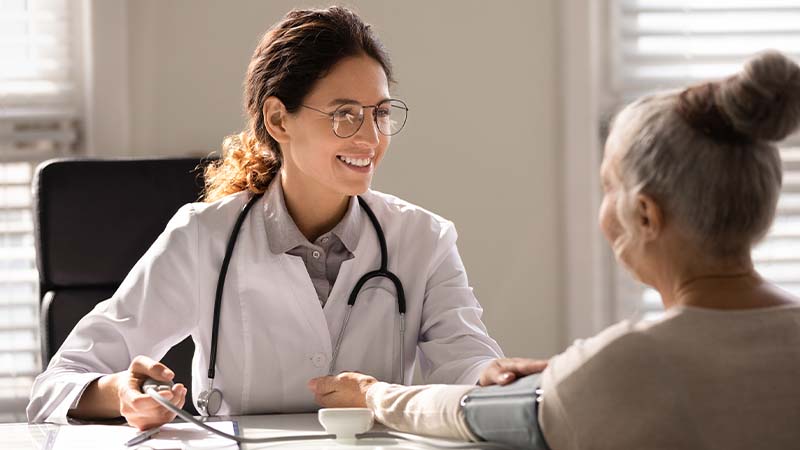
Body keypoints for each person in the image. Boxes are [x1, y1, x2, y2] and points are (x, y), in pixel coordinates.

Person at [27, 6, 504, 430]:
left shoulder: (423, 238)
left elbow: (467, 364)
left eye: (379, 114)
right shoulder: (204, 236)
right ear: (278, 121)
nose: (370, 137)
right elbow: (59, 382)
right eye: (344, 114)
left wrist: (498, 378)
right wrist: (123, 395)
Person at [309, 50, 800, 449]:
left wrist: (373, 393)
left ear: (646, 215)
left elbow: (468, 416)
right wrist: (572, 378)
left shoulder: (630, 365)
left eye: (609, 188)